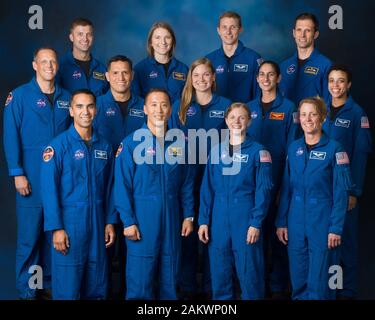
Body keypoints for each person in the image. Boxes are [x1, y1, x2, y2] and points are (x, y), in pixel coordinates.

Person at [3, 47, 71, 299]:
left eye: (53, 61)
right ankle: (27, 289)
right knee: (30, 236)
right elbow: (11, 136)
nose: (49, 66)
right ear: (35, 65)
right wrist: (17, 172)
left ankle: (49, 283)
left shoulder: (66, 98)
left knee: (53, 232)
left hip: (60, 179)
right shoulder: (19, 96)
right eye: (44, 62)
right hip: (31, 176)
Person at [114, 88, 195, 299]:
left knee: (171, 271)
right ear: (145, 109)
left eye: (164, 105)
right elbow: (121, 187)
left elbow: (187, 183)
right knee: (141, 274)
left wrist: (188, 215)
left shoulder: (181, 144)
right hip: (142, 216)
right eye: (154, 105)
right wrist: (128, 221)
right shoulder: (131, 144)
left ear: (170, 111)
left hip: (172, 214)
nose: (159, 110)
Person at [40, 89, 116, 300]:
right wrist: (56, 228)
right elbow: (49, 191)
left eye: (90, 106)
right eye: (80, 106)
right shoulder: (57, 147)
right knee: (68, 288)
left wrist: (109, 221)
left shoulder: (105, 147)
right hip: (70, 224)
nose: (86, 111)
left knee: (97, 285)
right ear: (71, 110)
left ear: (96, 110)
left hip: (98, 223)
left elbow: (111, 188)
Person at [276, 97, 353, 300]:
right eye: (303, 114)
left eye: (313, 114)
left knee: (323, 280)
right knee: (299, 277)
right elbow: (286, 188)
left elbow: (341, 194)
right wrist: (281, 221)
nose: (307, 119)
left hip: (323, 220)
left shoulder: (335, 149)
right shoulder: (293, 148)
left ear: (322, 117)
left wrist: (335, 228)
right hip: (295, 220)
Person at [169, 57, 231, 298]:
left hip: (216, 179)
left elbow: (232, 144)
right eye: (197, 76)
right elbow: (172, 145)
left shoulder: (226, 105)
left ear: (213, 77)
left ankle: (211, 287)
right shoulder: (180, 107)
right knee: (186, 232)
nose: (201, 79)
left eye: (206, 75)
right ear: (190, 79)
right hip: (186, 180)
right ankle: (187, 288)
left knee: (213, 233)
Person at [198, 102, 273, 299]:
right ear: (226, 121)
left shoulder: (259, 152)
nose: (236, 121)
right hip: (219, 217)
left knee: (250, 273)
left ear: (249, 121)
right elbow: (207, 188)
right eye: (232, 117)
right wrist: (204, 221)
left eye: (241, 117)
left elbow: (263, 190)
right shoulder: (216, 151)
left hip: (245, 216)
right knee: (219, 271)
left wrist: (256, 223)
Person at [247, 60, 299, 298]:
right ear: (256, 79)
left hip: (279, 182)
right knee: (254, 235)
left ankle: (277, 288)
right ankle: (256, 287)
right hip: (251, 185)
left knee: (279, 235)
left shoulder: (289, 109)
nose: (265, 79)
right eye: (261, 75)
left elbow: (293, 153)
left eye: (270, 75)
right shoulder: (248, 109)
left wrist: (284, 188)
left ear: (278, 79)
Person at [323, 65, 372, 299]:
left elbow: (361, 155)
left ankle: (348, 291)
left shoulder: (356, 114)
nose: (335, 86)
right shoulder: (319, 109)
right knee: (326, 244)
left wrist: (354, 191)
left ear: (348, 85)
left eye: (340, 81)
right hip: (322, 190)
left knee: (346, 243)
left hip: (344, 191)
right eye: (332, 81)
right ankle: (330, 290)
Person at [205, 11, 263, 103]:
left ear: (240, 29)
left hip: (244, 116)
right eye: (224, 27)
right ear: (218, 30)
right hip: (216, 115)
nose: (228, 32)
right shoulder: (209, 60)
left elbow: (260, 94)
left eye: (233, 27)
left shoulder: (254, 58)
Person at [279, 13, 331, 105]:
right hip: (288, 119)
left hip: (313, 119)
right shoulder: (284, 66)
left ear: (315, 34)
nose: (302, 35)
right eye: (299, 30)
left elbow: (329, 103)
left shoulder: (326, 66)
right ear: (294, 33)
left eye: (307, 30)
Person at [95, 55, 145, 151]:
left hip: (136, 163)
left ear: (132, 75)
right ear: (107, 76)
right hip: (105, 164)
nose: (121, 78)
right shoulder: (96, 105)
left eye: (125, 72)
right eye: (115, 73)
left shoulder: (144, 106)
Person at [131, 22, 188, 104]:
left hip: (177, 116)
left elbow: (188, 99)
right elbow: (136, 101)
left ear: (172, 41)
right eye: (157, 37)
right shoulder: (139, 69)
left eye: (167, 37)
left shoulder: (183, 69)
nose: (163, 42)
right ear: (151, 42)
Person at [57, 18, 109, 96]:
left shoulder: (102, 69)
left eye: (89, 34)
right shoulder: (59, 67)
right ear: (71, 37)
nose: (85, 39)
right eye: (80, 34)